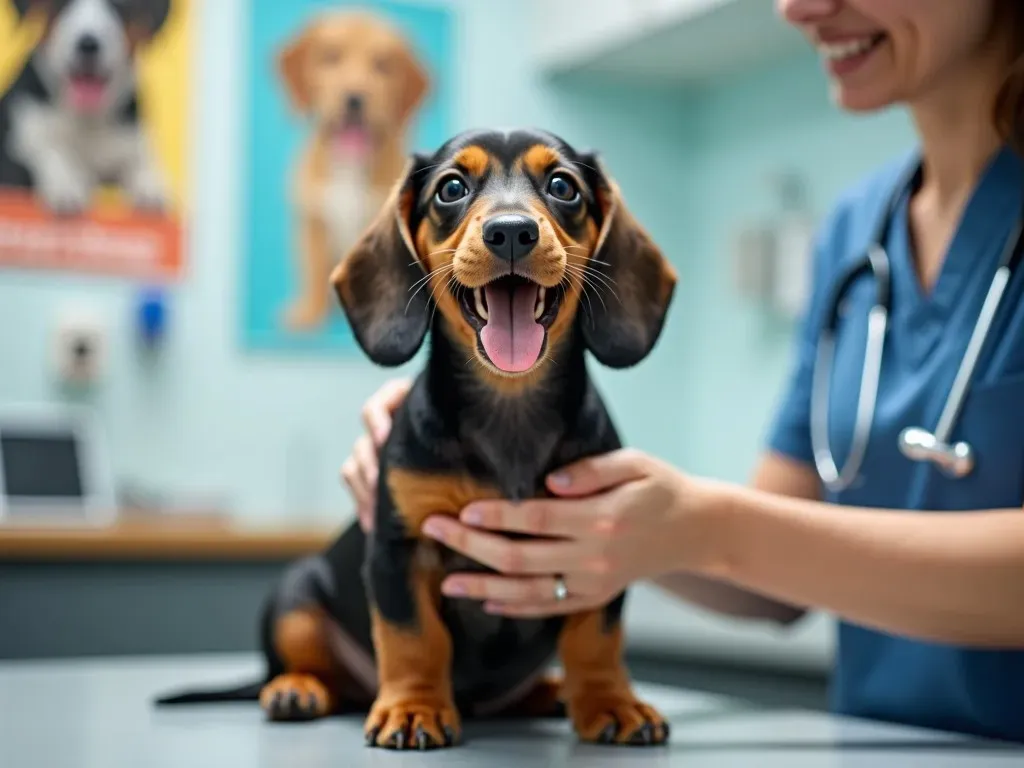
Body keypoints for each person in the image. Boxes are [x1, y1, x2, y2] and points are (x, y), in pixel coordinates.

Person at [340, 0, 1024, 745]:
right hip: (877, 746)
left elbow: (741, 537)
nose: (796, 7)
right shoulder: (857, 231)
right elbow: (775, 578)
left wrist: (709, 526)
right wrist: (592, 513)